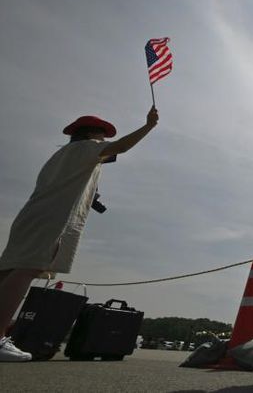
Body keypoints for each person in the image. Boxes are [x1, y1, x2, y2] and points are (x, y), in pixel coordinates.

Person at [0, 106, 159, 362]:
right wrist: (148, 126)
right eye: (102, 135)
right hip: (52, 217)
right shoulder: (87, 149)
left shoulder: (62, 154)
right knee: (26, 270)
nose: (104, 140)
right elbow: (120, 147)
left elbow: (107, 157)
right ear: (91, 134)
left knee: (7, 272)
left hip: (31, 216)